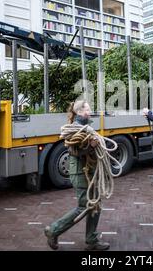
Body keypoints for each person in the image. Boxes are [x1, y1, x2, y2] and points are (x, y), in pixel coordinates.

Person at [44, 100, 110, 251]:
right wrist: (90, 146)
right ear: (80, 112)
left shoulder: (86, 128)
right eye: (87, 109)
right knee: (84, 206)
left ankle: (91, 240)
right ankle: (53, 230)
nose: (90, 110)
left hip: (89, 171)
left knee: (95, 204)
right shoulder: (74, 129)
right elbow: (73, 151)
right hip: (80, 172)